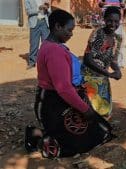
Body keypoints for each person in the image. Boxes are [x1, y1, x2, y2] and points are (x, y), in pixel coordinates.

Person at [24, 9, 113, 158]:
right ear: (57, 26)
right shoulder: (55, 52)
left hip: (51, 100)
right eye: (69, 30)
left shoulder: (49, 45)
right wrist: (85, 110)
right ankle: (38, 135)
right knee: (86, 139)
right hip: (53, 104)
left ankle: (45, 133)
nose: (71, 34)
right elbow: (64, 89)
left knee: (98, 128)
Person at [82, 6, 122, 119]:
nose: (112, 24)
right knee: (91, 109)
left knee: (104, 110)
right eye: (109, 20)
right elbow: (87, 59)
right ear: (104, 20)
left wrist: (117, 70)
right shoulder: (98, 34)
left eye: (116, 21)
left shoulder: (117, 38)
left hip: (103, 78)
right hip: (89, 77)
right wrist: (108, 74)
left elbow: (113, 60)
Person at [98, 0, 126, 68]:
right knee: (104, 41)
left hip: (117, 22)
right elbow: (100, 4)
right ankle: (103, 60)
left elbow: (124, 7)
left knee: (120, 41)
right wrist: (102, 4)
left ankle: (120, 62)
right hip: (107, 21)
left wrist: (123, 6)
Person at [25, 0, 51, 69]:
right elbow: (28, 12)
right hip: (34, 23)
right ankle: (32, 62)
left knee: (46, 43)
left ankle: (47, 62)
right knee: (34, 43)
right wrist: (38, 9)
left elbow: (49, 11)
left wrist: (47, 8)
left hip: (44, 23)